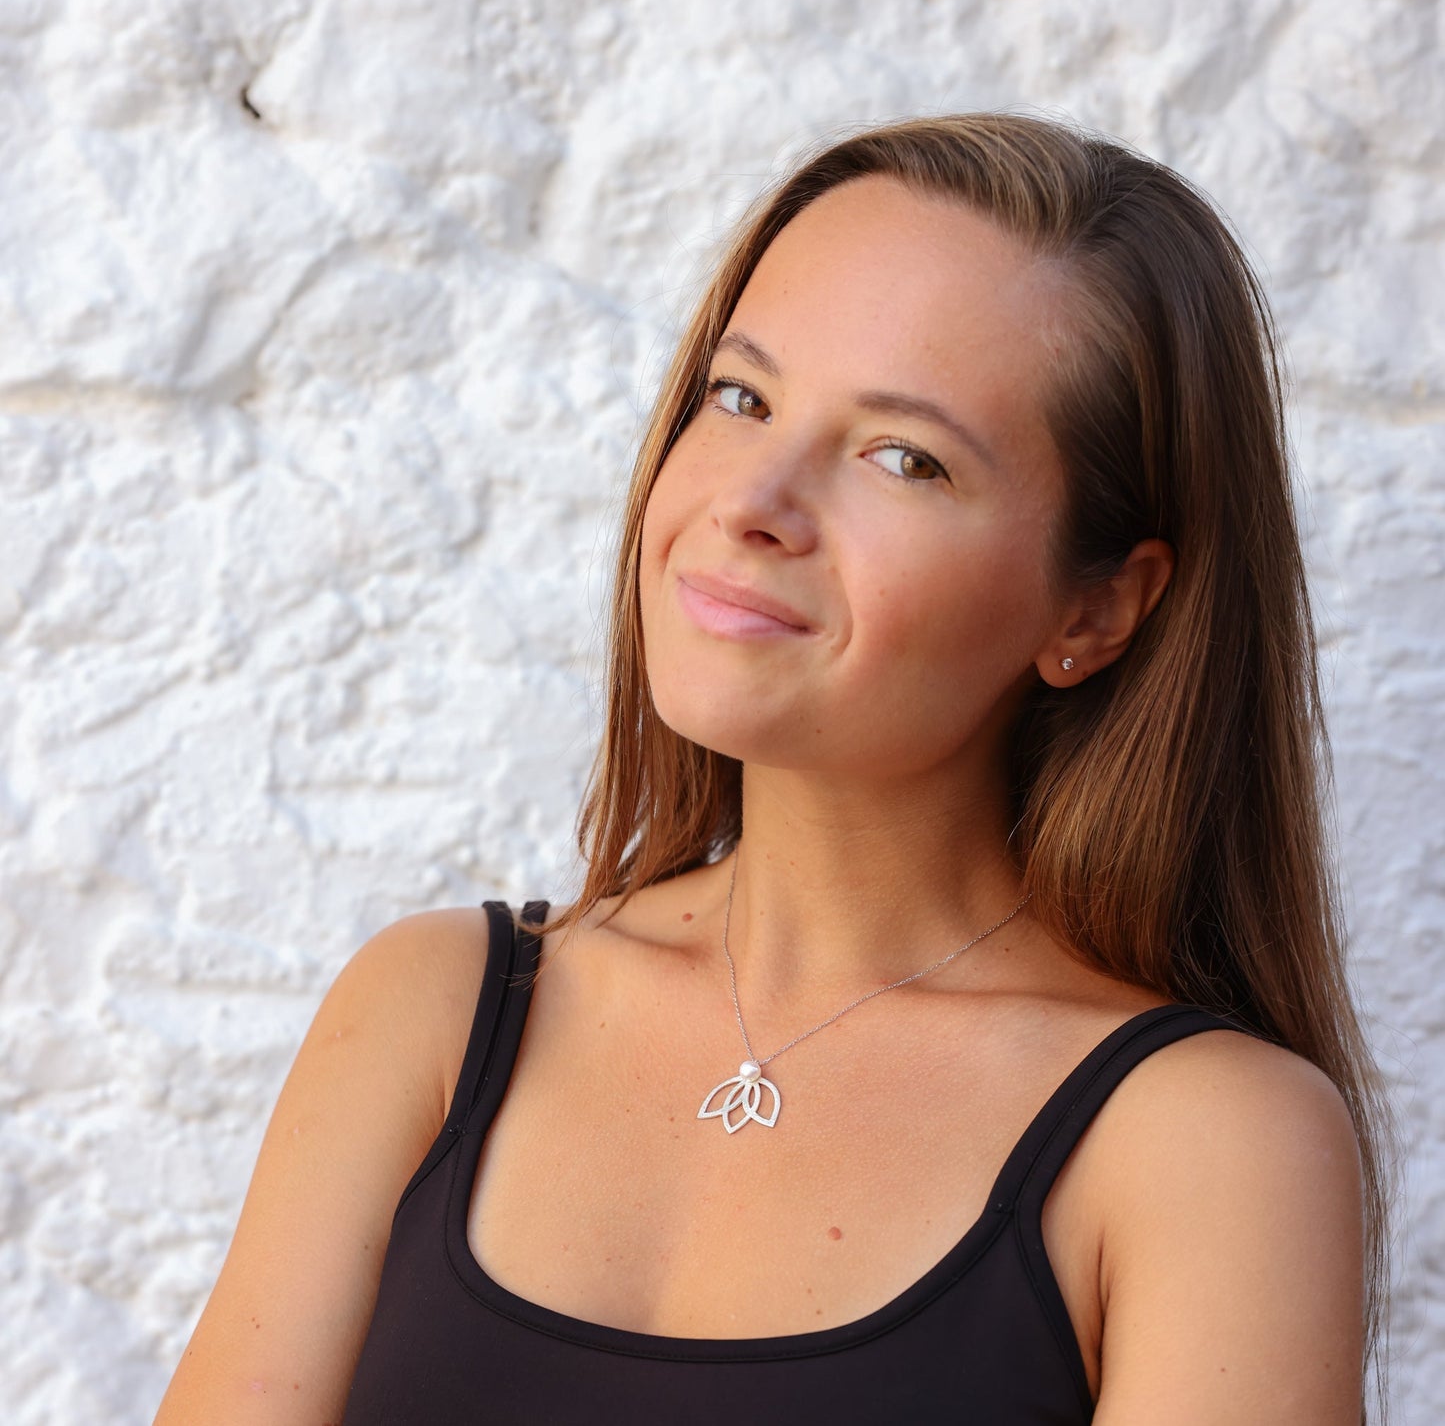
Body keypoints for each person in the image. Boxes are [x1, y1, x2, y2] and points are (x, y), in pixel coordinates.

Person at [154, 113, 1390, 1424]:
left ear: (1094, 612)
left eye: (902, 457)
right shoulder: (429, 1011)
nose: (756, 497)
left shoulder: (1205, 1147)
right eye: (740, 396)